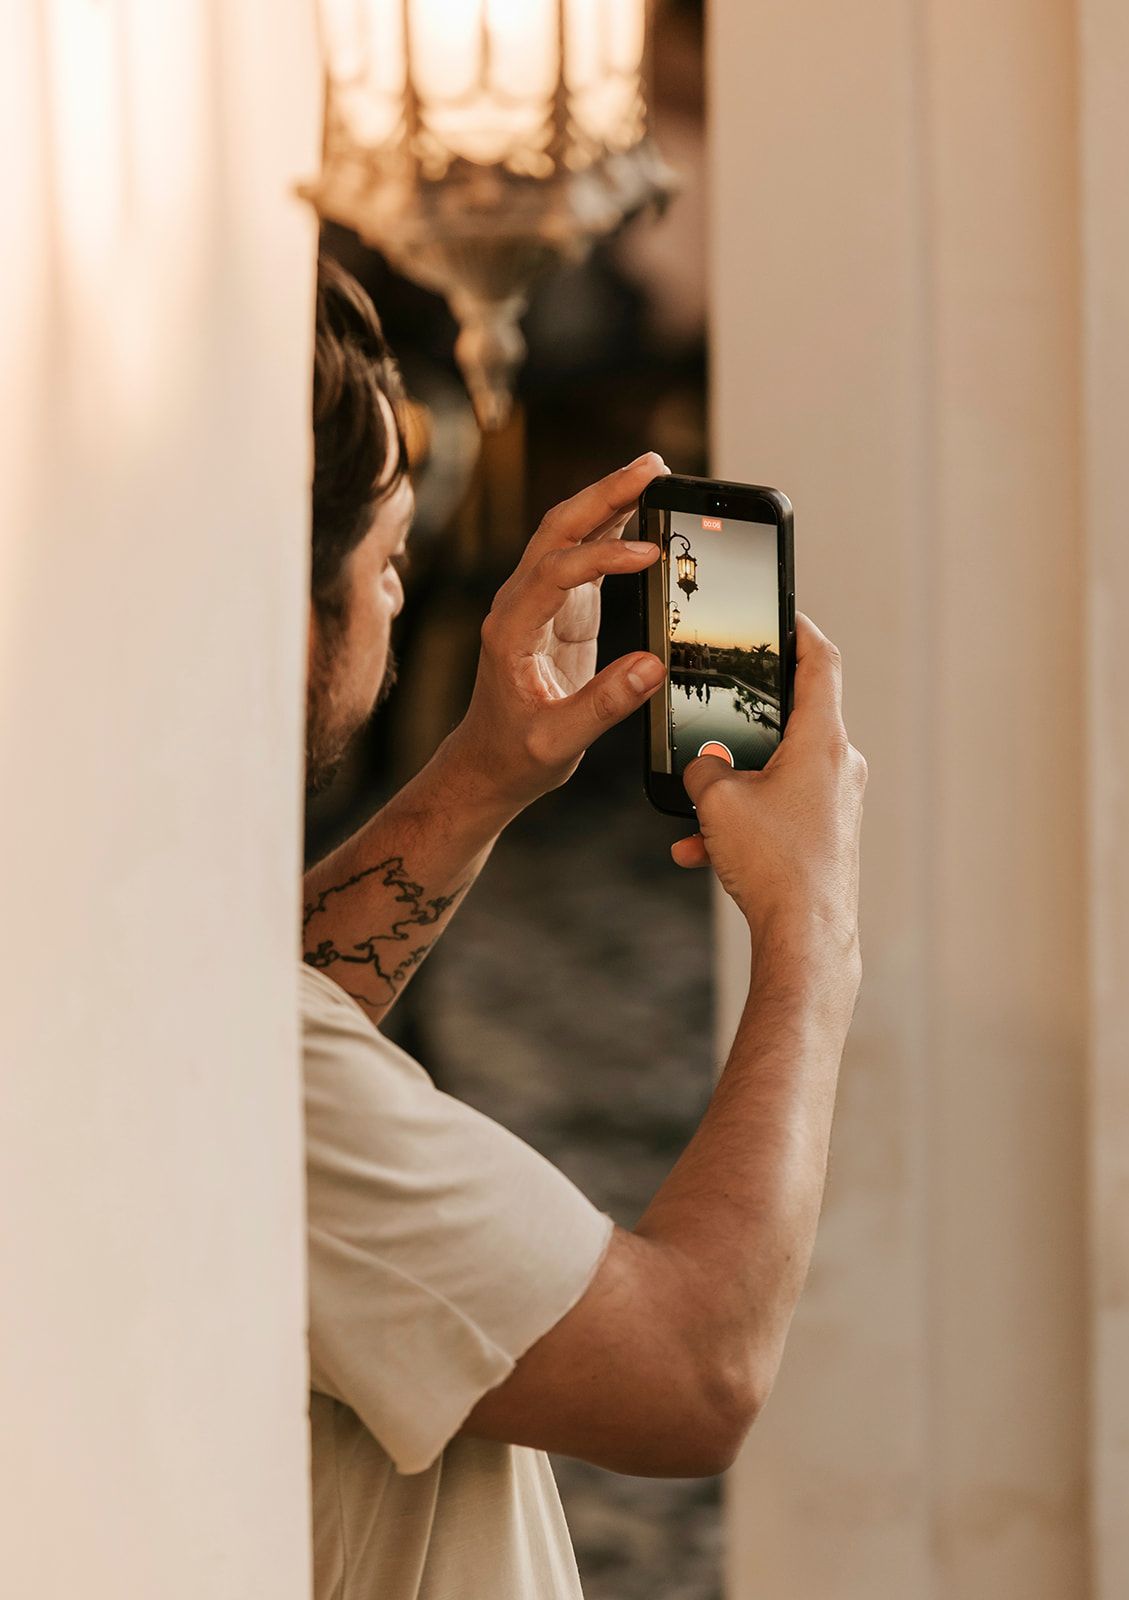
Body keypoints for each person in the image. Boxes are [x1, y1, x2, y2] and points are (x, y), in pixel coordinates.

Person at [302, 257, 867, 1600]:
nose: (400, 596)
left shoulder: (134, 986)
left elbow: (275, 1011)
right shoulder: (280, 1099)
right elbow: (694, 1373)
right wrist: (814, 929)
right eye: (385, 565)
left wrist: (487, 771)